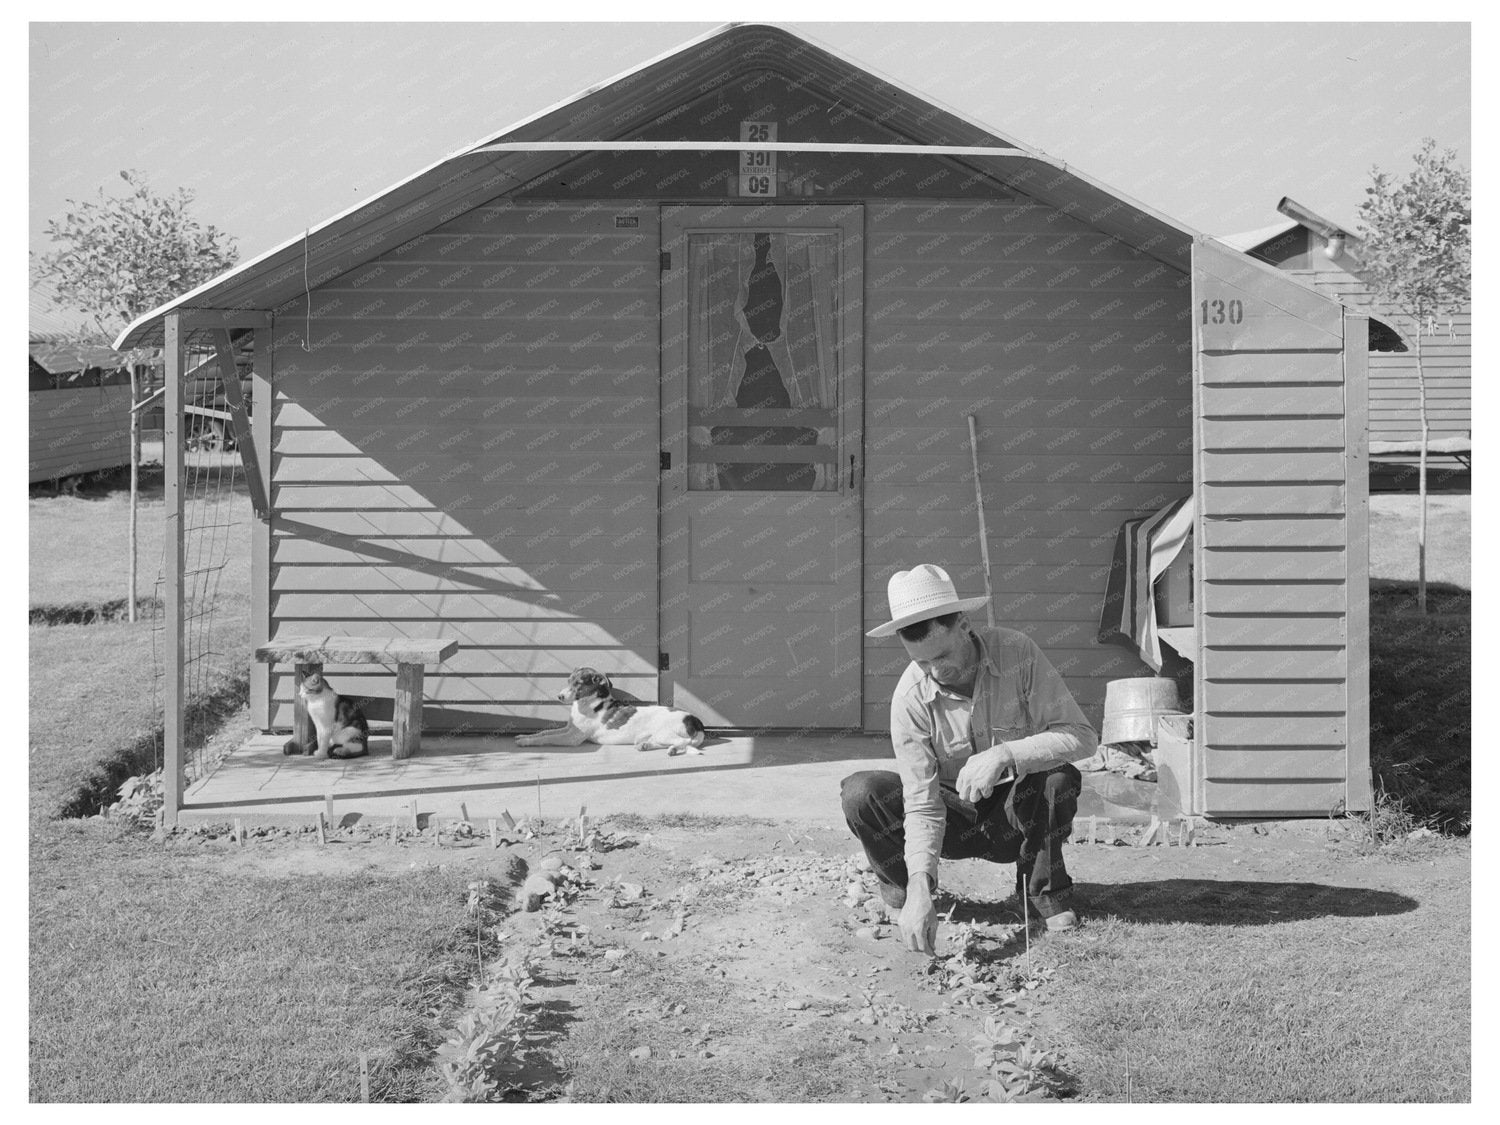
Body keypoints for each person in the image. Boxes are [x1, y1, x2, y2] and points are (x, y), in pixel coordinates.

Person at [843, 564, 1097, 954]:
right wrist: (920, 881)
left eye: (941, 656)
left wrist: (1006, 754)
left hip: (1014, 815)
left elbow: (1082, 737)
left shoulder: (1018, 653)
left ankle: (1042, 893)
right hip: (951, 821)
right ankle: (908, 893)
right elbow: (922, 804)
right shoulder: (909, 697)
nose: (934, 671)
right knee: (862, 792)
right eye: (921, 662)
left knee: (1058, 779)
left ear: (963, 624)